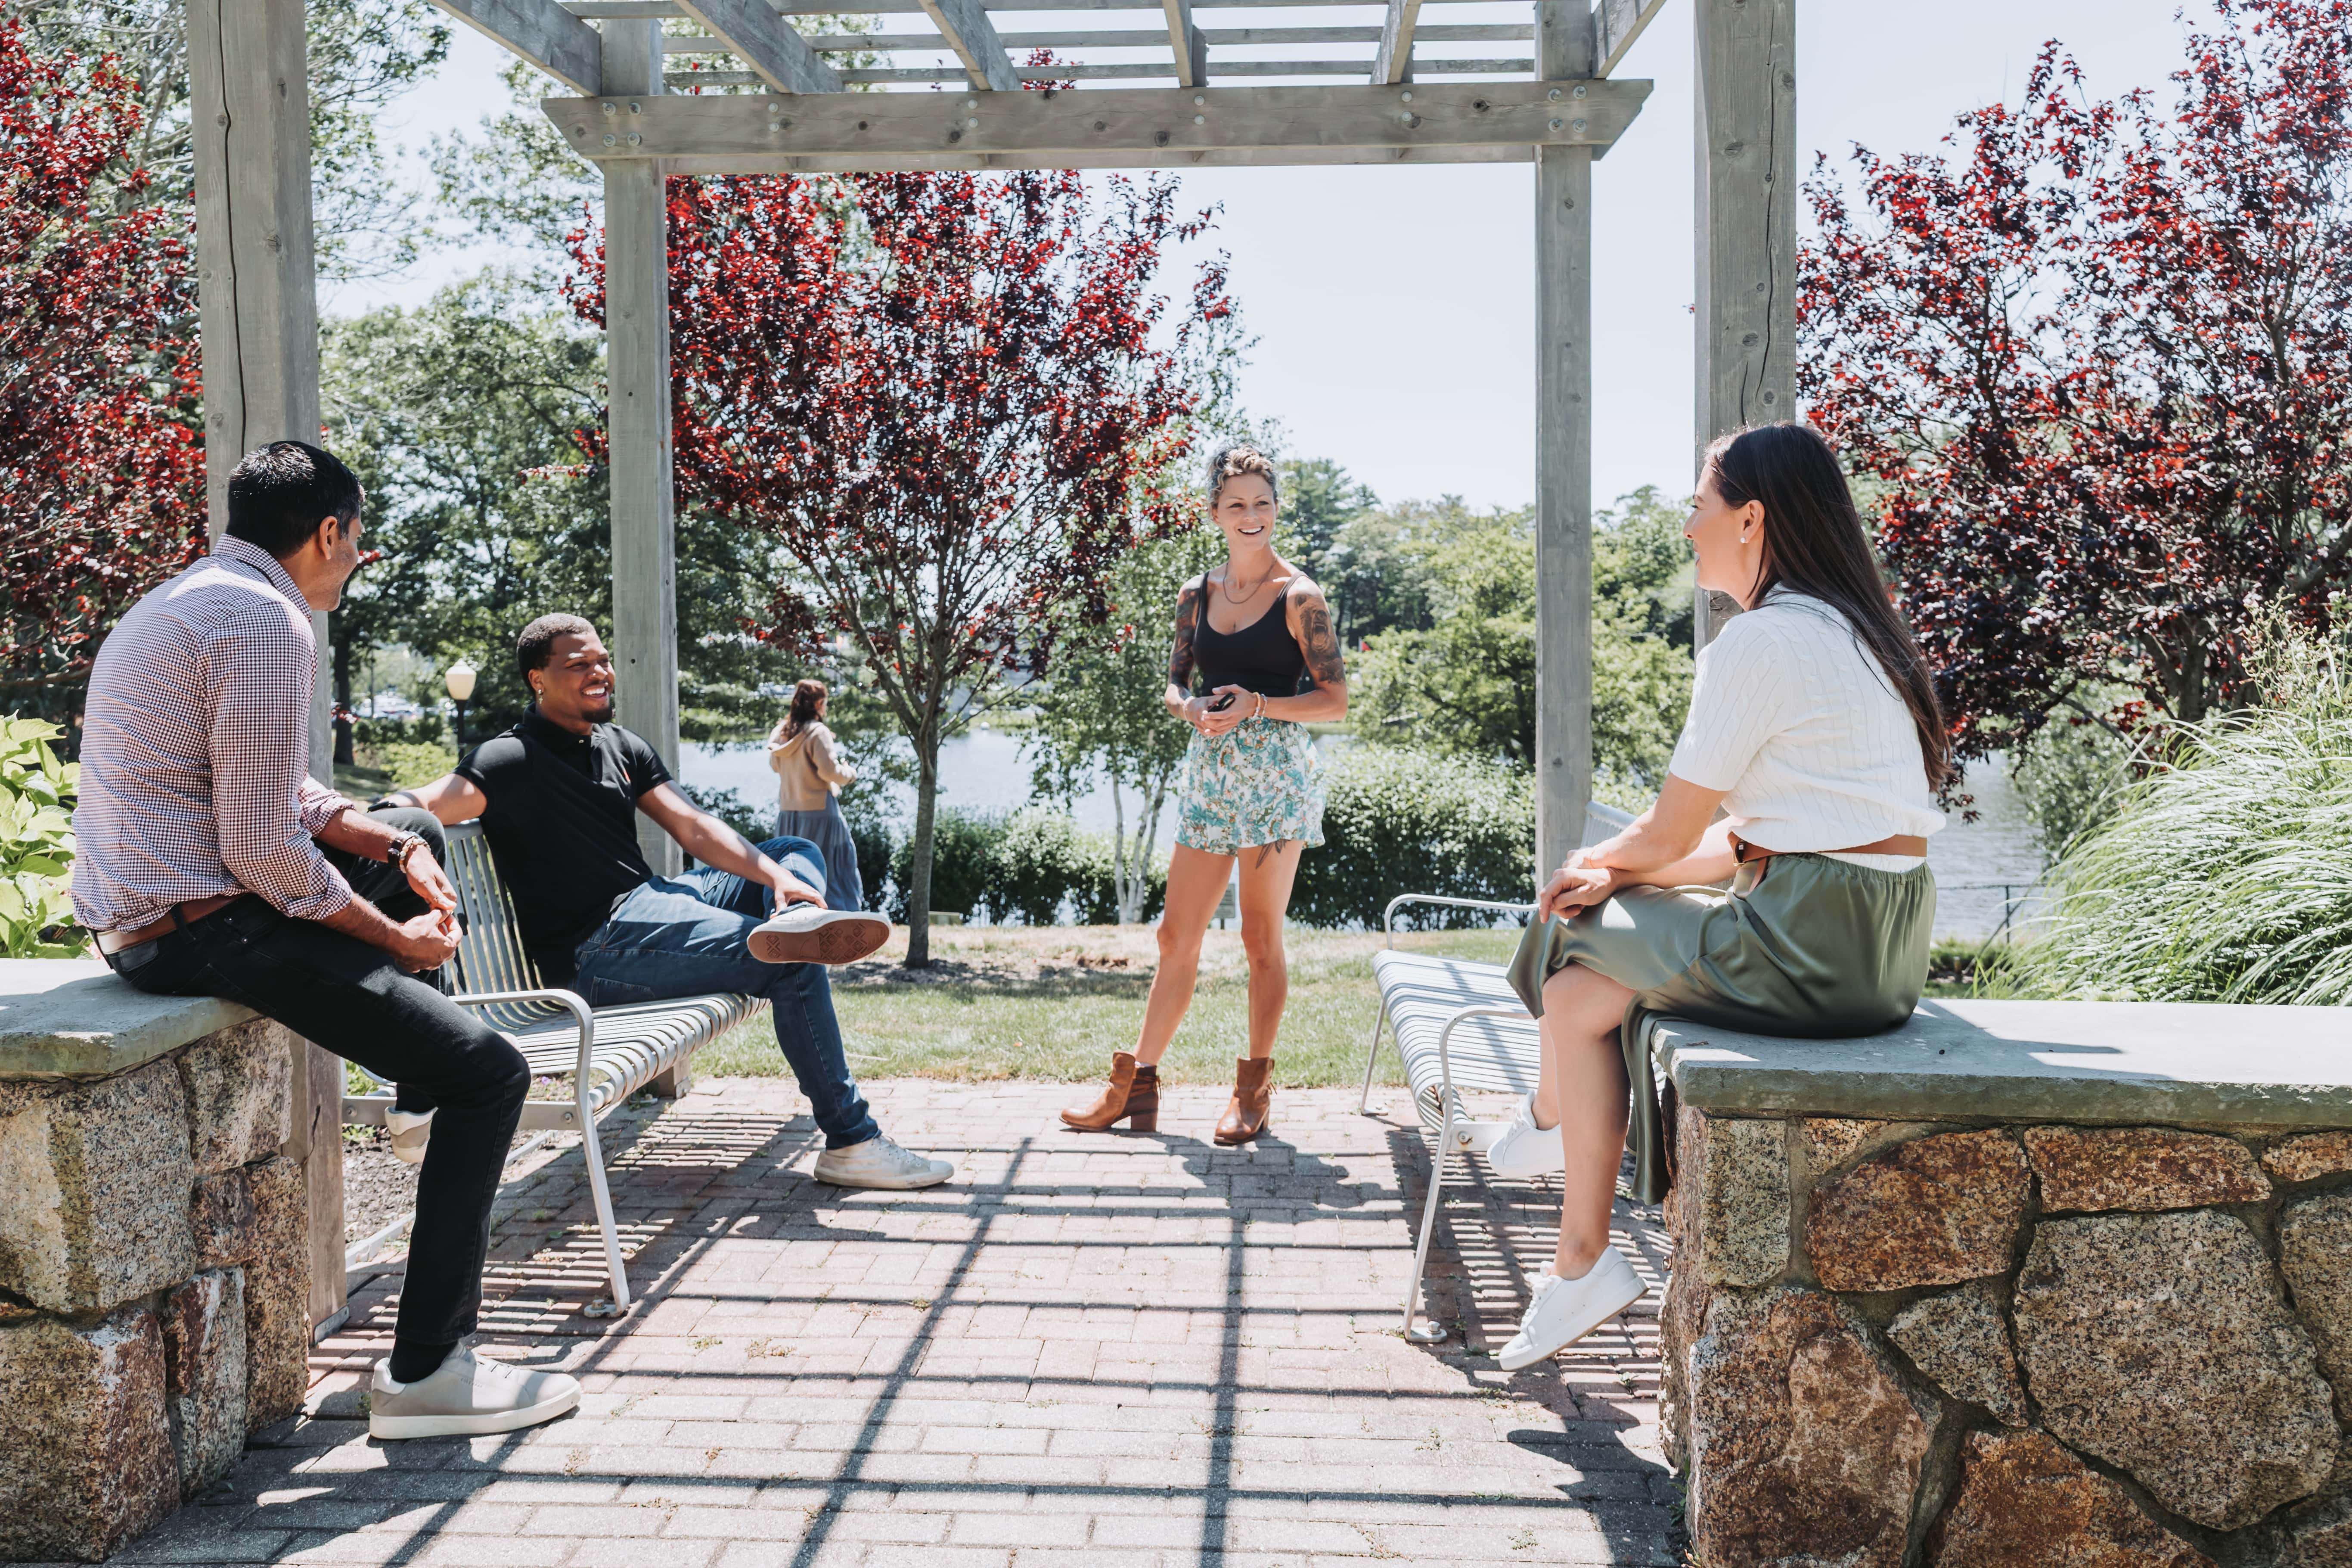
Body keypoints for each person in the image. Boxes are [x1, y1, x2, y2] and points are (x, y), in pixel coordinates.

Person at [72, 440, 582, 1441]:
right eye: (359, 541)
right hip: (201, 933)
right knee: (493, 1073)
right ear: (330, 532)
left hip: (154, 921)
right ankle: (432, 1373)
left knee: (420, 830)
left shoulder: (197, 593)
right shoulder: (269, 620)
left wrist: (392, 843)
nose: (359, 561)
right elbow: (261, 847)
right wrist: (392, 937)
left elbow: (277, 792)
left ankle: (416, 1094)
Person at [1483, 422, 1946, 1372]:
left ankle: (1546, 1123)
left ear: (1750, 515)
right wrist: (1615, 867)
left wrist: (1601, 867)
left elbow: (1662, 836)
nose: (1687, 522)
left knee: (1568, 917)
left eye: (1698, 502)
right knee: (1578, 994)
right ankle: (1579, 1260)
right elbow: (1745, 841)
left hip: (1810, 943)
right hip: (1879, 945)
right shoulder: (1859, 633)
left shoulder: (1761, 643)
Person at [385, 614, 956, 1192]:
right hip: (599, 951)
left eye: (601, 660)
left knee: (790, 850)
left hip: (654, 903)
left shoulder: (620, 745)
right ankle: (852, 1142)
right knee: (793, 962)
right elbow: (421, 802)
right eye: (577, 665)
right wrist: (387, 831)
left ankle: (794, 917)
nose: (600, 672)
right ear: (538, 679)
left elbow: (694, 827)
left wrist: (774, 880)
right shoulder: (508, 760)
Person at [1061, 444, 1349, 1144]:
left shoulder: (1299, 597)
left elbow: (1334, 702)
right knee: (1173, 935)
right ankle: (1136, 1088)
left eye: (1262, 502)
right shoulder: (1196, 594)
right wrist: (1192, 710)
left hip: (1276, 780)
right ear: (1214, 513)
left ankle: (1252, 1091)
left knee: (1257, 937)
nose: (1251, 516)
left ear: (1276, 507)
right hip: (1210, 775)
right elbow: (1174, 685)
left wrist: (1258, 705)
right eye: (1236, 505)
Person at [767, 678, 865, 911]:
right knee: (834, 869)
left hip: (789, 813)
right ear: (819, 703)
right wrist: (850, 773)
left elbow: (775, 767)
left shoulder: (780, 733)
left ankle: (794, 919)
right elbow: (830, 772)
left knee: (791, 871)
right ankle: (840, 919)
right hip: (821, 813)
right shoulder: (818, 732)